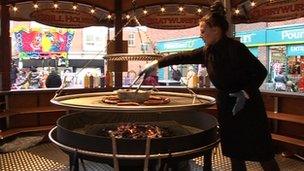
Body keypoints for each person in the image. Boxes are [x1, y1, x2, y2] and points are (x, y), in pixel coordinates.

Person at [139, 2, 280, 171]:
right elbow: (183, 56)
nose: (201, 35)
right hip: (227, 106)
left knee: (263, 153)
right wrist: (156, 64)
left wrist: (244, 93)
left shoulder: (236, 48)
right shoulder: (207, 51)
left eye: (203, 31)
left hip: (248, 106)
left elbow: (260, 71)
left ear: (216, 29)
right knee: (235, 153)